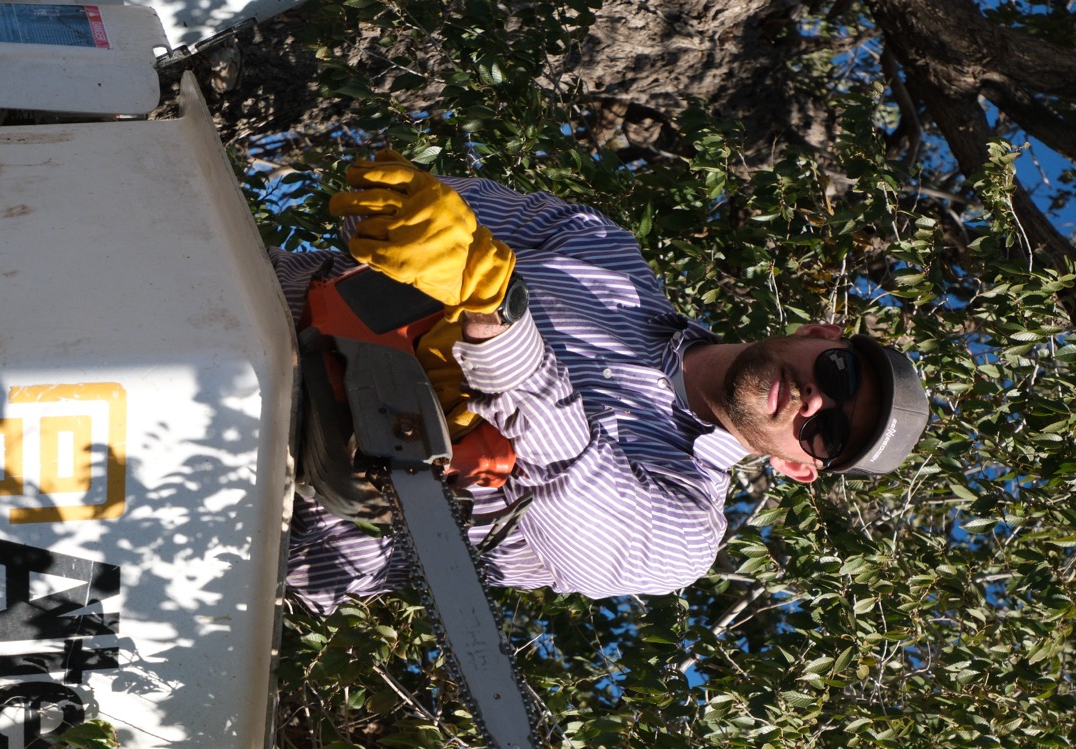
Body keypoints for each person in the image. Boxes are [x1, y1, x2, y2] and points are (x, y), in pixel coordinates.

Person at [270, 150, 929, 616]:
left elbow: (567, 475)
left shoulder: (683, 531)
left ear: (799, 469)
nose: (817, 401)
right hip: (250, 310)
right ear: (819, 334)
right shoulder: (598, 249)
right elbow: (374, 208)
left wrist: (493, 320)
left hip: (270, 501)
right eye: (838, 373)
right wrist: (431, 251)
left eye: (828, 433)